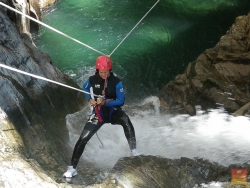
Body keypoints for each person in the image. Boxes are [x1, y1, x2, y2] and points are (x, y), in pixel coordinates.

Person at [63, 55, 139, 178]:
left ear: (110, 70)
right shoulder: (92, 79)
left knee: (126, 120)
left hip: (113, 112)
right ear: (98, 70)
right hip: (99, 113)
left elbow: (121, 101)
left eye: (106, 72)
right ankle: (72, 168)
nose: (104, 74)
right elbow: (85, 87)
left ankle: (134, 151)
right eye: (101, 72)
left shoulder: (117, 82)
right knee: (83, 138)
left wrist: (106, 102)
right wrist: (90, 99)